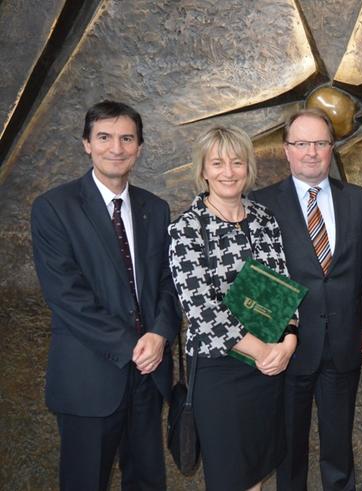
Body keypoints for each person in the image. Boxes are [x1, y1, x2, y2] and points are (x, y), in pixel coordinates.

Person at [30, 100, 181, 490]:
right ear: (86, 143)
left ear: (139, 148)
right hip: (89, 379)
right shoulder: (54, 208)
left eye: (127, 138)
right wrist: (132, 344)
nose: (116, 147)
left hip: (148, 377)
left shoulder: (156, 208)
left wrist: (161, 334)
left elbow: (168, 281)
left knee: (147, 482)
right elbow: (66, 295)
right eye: (104, 137)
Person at [252, 108, 362, 491]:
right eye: (302, 143)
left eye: (320, 143)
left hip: (346, 340)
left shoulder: (357, 199)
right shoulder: (262, 202)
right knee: (289, 448)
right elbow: (260, 278)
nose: (311, 152)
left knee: (338, 446)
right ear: (287, 149)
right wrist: (270, 341)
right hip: (287, 347)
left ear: (332, 148)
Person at [168, 126, 298, 491]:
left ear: (248, 168)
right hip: (220, 374)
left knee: (256, 473)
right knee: (230, 478)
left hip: (269, 369)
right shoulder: (187, 229)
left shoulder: (264, 219)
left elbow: (282, 288)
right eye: (218, 163)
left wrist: (288, 343)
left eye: (237, 162)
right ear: (203, 170)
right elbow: (201, 310)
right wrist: (262, 352)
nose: (229, 171)